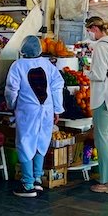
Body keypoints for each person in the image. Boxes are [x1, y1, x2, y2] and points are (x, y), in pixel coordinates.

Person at [5, 36, 64, 198]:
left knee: (25, 143)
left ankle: (27, 184)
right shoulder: (48, 65)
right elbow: (58, 87)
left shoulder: (17, 66)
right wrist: (57, 109)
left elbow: (11, 90)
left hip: (27, 111)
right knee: (41, 141)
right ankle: (38, 179)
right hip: (47, 110)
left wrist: (11, 105)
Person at [85, 16, 108, 194]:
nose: (89, 34)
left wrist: (86, 72)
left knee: (102, 138)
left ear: (94, 29)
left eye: (89, 30)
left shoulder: (100, 46)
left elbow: (98, 74)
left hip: (102, 97)